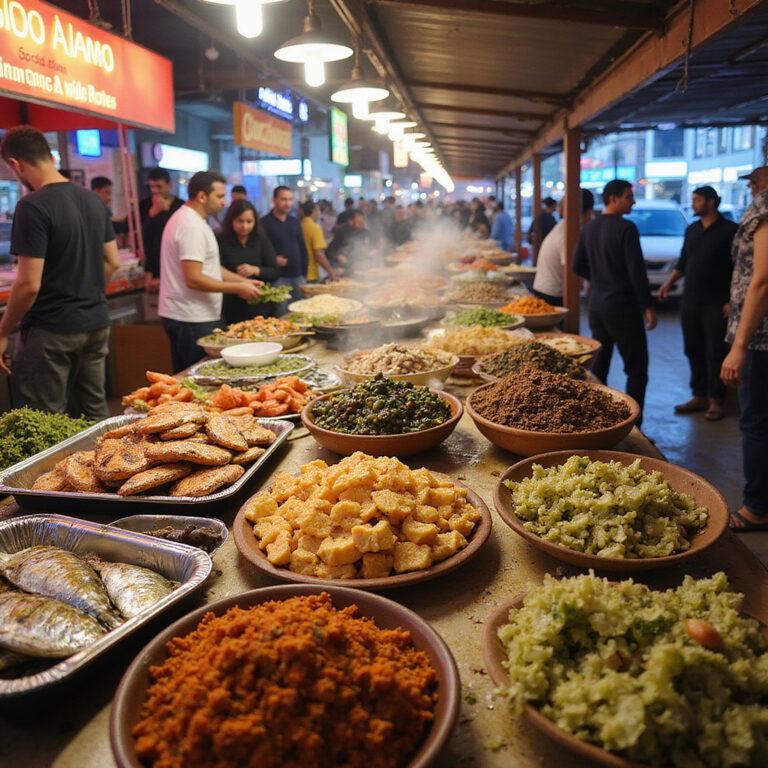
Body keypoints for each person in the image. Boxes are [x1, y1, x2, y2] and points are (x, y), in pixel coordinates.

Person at [0, 126, 121, 419]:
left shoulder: (32, 206)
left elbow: (28, 284)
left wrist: (2, 332)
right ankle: (108, 464)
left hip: (51, 329)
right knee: (93, 412)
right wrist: (85, 293)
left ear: (15, 164)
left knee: (45, 420)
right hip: (95, 324)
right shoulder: (93, 200)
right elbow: (113, 262)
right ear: (50, 156)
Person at [158, 171, 262, 372]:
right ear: (202, 196)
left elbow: (211, 268)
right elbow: (194, 279)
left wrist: (244, 282)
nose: (224, 202)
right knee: (198, 377)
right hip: (191, 317)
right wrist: (237, 288)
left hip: (192, 314)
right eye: (220, 196)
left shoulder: (194, 220)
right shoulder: (191, 226)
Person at [572, 179, 656, 420]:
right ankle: (634, 424)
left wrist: (599, 279)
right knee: (637, 369)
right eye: (629, 196)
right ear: (613, 198)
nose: (634, 201)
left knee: (600, 367)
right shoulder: (626, 228)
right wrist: (648, 307)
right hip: (623, 309)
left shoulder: (589, 228)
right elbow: (636, 272)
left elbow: (577, 265)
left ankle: (598, 420)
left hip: (597, 307)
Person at [658, 186, 738, 421]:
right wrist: (667, 283)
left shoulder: (730, 230)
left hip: (717, 303)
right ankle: (699, 394)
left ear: (711, 202)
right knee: (693, 349)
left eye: (697, 200)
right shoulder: (692, 229)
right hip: (690, 300)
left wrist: (733, 301)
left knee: (715, 352)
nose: (693, 204)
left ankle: (716, 400)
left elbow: (740, 270)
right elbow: (684, 262)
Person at [720, 167, 768, 530]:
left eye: (755, 181)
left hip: (761, 338)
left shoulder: (765, 207)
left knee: (755, 421)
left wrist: (739, 346)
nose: (752, 188)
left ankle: (756, 509)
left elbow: (762, 280)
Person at [217, 199, 279, 325]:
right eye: (240, 221)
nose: (244, 226)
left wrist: (256, 270)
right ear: (231, 221)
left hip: (261, 306)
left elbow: (275, 272)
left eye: (249, 221)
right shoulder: (221, 240)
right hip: (231, 306)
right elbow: (215, 272)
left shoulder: (260, 240)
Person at [533, 189, 595, 307]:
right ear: (588, 213)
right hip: (552, 295)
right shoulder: (569, 234)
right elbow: (572, 273)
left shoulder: (563, 227)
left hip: (544, 289)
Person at [260, 186, 309, 314]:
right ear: (274, 200)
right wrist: (272, 260)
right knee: (281, 315)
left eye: (290, 199)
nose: (287, 203)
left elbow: (302, 248)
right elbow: (259, 251)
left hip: (298, 277)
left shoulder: (294, 222)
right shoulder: (264, 223)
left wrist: (304, 274)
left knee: (300, 313)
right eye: (283, 199)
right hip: (278, 279)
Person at [140, 168, 184, 293]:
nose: (155, 190)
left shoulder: (180, 206)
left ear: (169, 185)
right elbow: (143, 235)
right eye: (152, 186)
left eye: (159, 186)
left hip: (175, 259)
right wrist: (153, 213)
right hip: (153, 260)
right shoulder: (144, 205)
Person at [301, 201, 338, 282]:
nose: (319, 213)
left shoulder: (300, 225)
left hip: (300, 273)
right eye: (318, 210)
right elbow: (318, 254)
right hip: (311, 274)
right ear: (314, 211)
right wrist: (331, 273)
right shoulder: (315, 228)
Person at [326, 210, 372, 274]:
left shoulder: (366, 233)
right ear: (350, 221)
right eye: (358, 222)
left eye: (362, 221)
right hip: (344, 269)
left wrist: (372, 252)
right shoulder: (341, 232)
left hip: (362, 269)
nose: (362, 223)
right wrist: (338, 256)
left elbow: (371, 249)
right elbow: (329, 251)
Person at [530, 196, 558, 261]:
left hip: (537, 246)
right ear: (553, 205)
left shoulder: (538, 216)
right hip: (548, 247)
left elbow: (530, 230)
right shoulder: (551, 219)